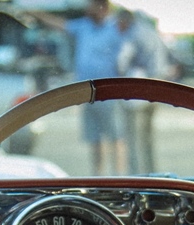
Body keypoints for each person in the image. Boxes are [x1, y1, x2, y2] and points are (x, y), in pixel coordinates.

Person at [33, 0, 126, 175]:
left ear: (103, 7)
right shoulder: (84, 26)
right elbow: (61, 25)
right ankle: (98, 178)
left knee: (116, 137)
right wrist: (37, 13)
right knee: (95, 138)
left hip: (110, 92)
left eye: (91, 5)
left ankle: (119, 177)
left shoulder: (116, 27)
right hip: (88, 92)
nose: (87, 9)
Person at [116, 9, 172, 174]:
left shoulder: (132, 35)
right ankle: (152, 174)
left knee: (133, 138)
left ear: (125, 20)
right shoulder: (151, 32)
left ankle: (137, 176)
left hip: (137, 91)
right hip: (157, 86)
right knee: (148, 138)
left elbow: (122, 61)